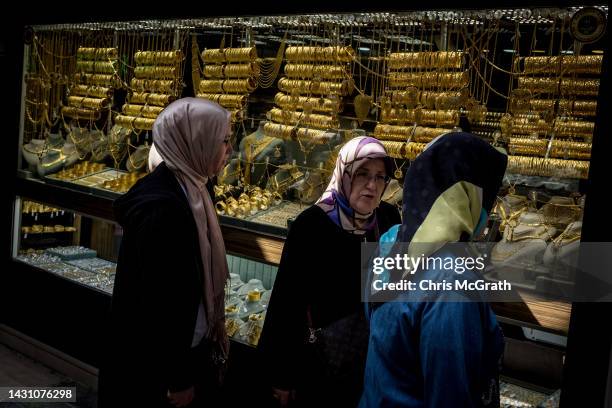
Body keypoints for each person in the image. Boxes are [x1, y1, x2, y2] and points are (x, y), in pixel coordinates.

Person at [98, 98, 233, 408]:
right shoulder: (163, 209)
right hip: (152, 370)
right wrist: (178, 377)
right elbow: (158, 303)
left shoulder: (195, 188)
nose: (229, 149)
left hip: (180, 352)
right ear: (195, 142)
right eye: (223, 140)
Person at [360, 132, 508, 408]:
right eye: (488, 199)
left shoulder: (390, 242)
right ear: (467, 198)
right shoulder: (451, 281)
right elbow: (451, 394)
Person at [260, 136, 402, 407]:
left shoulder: (387, 218)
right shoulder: (313, 225)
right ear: (345, 172)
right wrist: (282, 375)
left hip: (370, 359)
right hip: (320, 361)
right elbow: (287, 302)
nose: (372, 186)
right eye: (362, 174)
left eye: (380, 177)